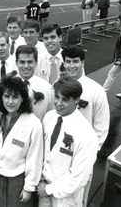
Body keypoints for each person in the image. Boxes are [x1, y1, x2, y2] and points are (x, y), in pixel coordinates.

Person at [37, 76, 98, 207]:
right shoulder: (49, 117)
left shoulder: (86, 134)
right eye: (57, 97)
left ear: (77, 100)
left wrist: (48, 190)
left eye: (65, 99)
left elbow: (79, 177)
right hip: (44, 191)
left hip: (65, 199)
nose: (59, 103)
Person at [61, 45, 110, 206]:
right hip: (60, 155)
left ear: (83, 62)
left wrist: (89, 155)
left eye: (76, 61)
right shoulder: (59, 86)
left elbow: (101, 128)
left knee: (77, 200)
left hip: (82, 156)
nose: (71, 65)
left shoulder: (96, 90)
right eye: (68, 62)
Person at [0, 75, 43, 207]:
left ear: (23, 98)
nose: (10, 101)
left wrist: (29, 187)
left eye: (15, 97)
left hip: (18, 180)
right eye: (6, 96)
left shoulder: (33, 123)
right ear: (0, 97)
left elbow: (35, 158)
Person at [15, 45, 54, 121]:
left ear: (36, 63)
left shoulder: (47, 89)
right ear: (16, 63)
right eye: (22, 62)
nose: (26, 66)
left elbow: (50, 116)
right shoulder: (8, 86)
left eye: (30, 62)